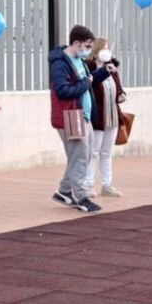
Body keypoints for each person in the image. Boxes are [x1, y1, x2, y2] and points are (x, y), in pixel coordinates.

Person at [50, 25, 106, 214]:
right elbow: (63, 90)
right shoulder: (60, 63)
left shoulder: (78, 60)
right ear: (76, 43)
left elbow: (88, 80)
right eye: (87, 46)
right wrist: (85, 83)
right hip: (71, 116)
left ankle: (64, 191)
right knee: (80, 157)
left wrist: (105, 71)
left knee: (84, 155)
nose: (88, 50)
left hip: (84, 116)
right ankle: (81, 196)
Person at [82, 38, 127, 198]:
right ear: (95, 50)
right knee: (93, 152)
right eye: (103, 48)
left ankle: (106, 185)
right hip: (98, 117)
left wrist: (122, 94)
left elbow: (118, 87)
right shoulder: (89, 67)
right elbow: (89, 86)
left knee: (106, 152)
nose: (106, 51)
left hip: (113, 115)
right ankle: (87, 185)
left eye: (108, 48)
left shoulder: (112, 68)